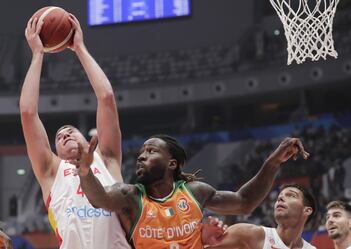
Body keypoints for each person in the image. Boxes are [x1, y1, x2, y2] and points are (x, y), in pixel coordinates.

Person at [74, 135, 309, 248]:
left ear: (172, 163)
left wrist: (273, 163)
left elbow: (244, 202)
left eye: (151, 151)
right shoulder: (130, 196)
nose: (142, 156)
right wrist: (85, 171)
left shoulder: (194, 192)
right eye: (141, 152)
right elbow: (99, 198)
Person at [20, 15, 130, 249]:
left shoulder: (107, 158)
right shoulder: (51, 171)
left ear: (86, 138)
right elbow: (28, 113)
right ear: (56, 151)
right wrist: (37, 54)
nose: (65, 135)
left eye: (71, 131)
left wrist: (79, 48)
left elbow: (107, 97)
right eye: (59, 137)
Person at [201, 184, 317, 249]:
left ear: (306, 211)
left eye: (291, 195)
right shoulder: (247, 234)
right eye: (279, 197)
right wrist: (203, 239)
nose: (280, 198)